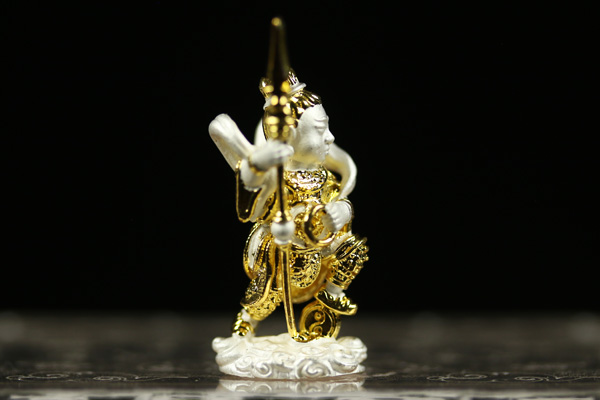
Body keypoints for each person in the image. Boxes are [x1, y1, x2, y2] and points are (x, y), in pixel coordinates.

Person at [209, 70, 368, 340]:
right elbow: (253, 210)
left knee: (354, 249)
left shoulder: (323, 176)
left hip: (319, 247)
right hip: (283, 253)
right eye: (320, 130)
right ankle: (247, 320)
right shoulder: (276, 177)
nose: (330, 137)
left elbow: (338, 199)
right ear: (290, 134)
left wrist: (343, 210)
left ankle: (332, 295)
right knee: (268, 292)